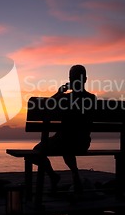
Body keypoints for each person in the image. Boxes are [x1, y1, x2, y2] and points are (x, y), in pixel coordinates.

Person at [32, 65, 96, 194]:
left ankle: (53, 175)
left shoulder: (65, 98)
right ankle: (75, 175)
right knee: (68, 142)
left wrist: (60, 92)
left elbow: (44, 106)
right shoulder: (92, 98)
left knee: (36, 151)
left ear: (70, 80)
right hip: (83, 143)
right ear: (85, 79)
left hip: (64, 141)